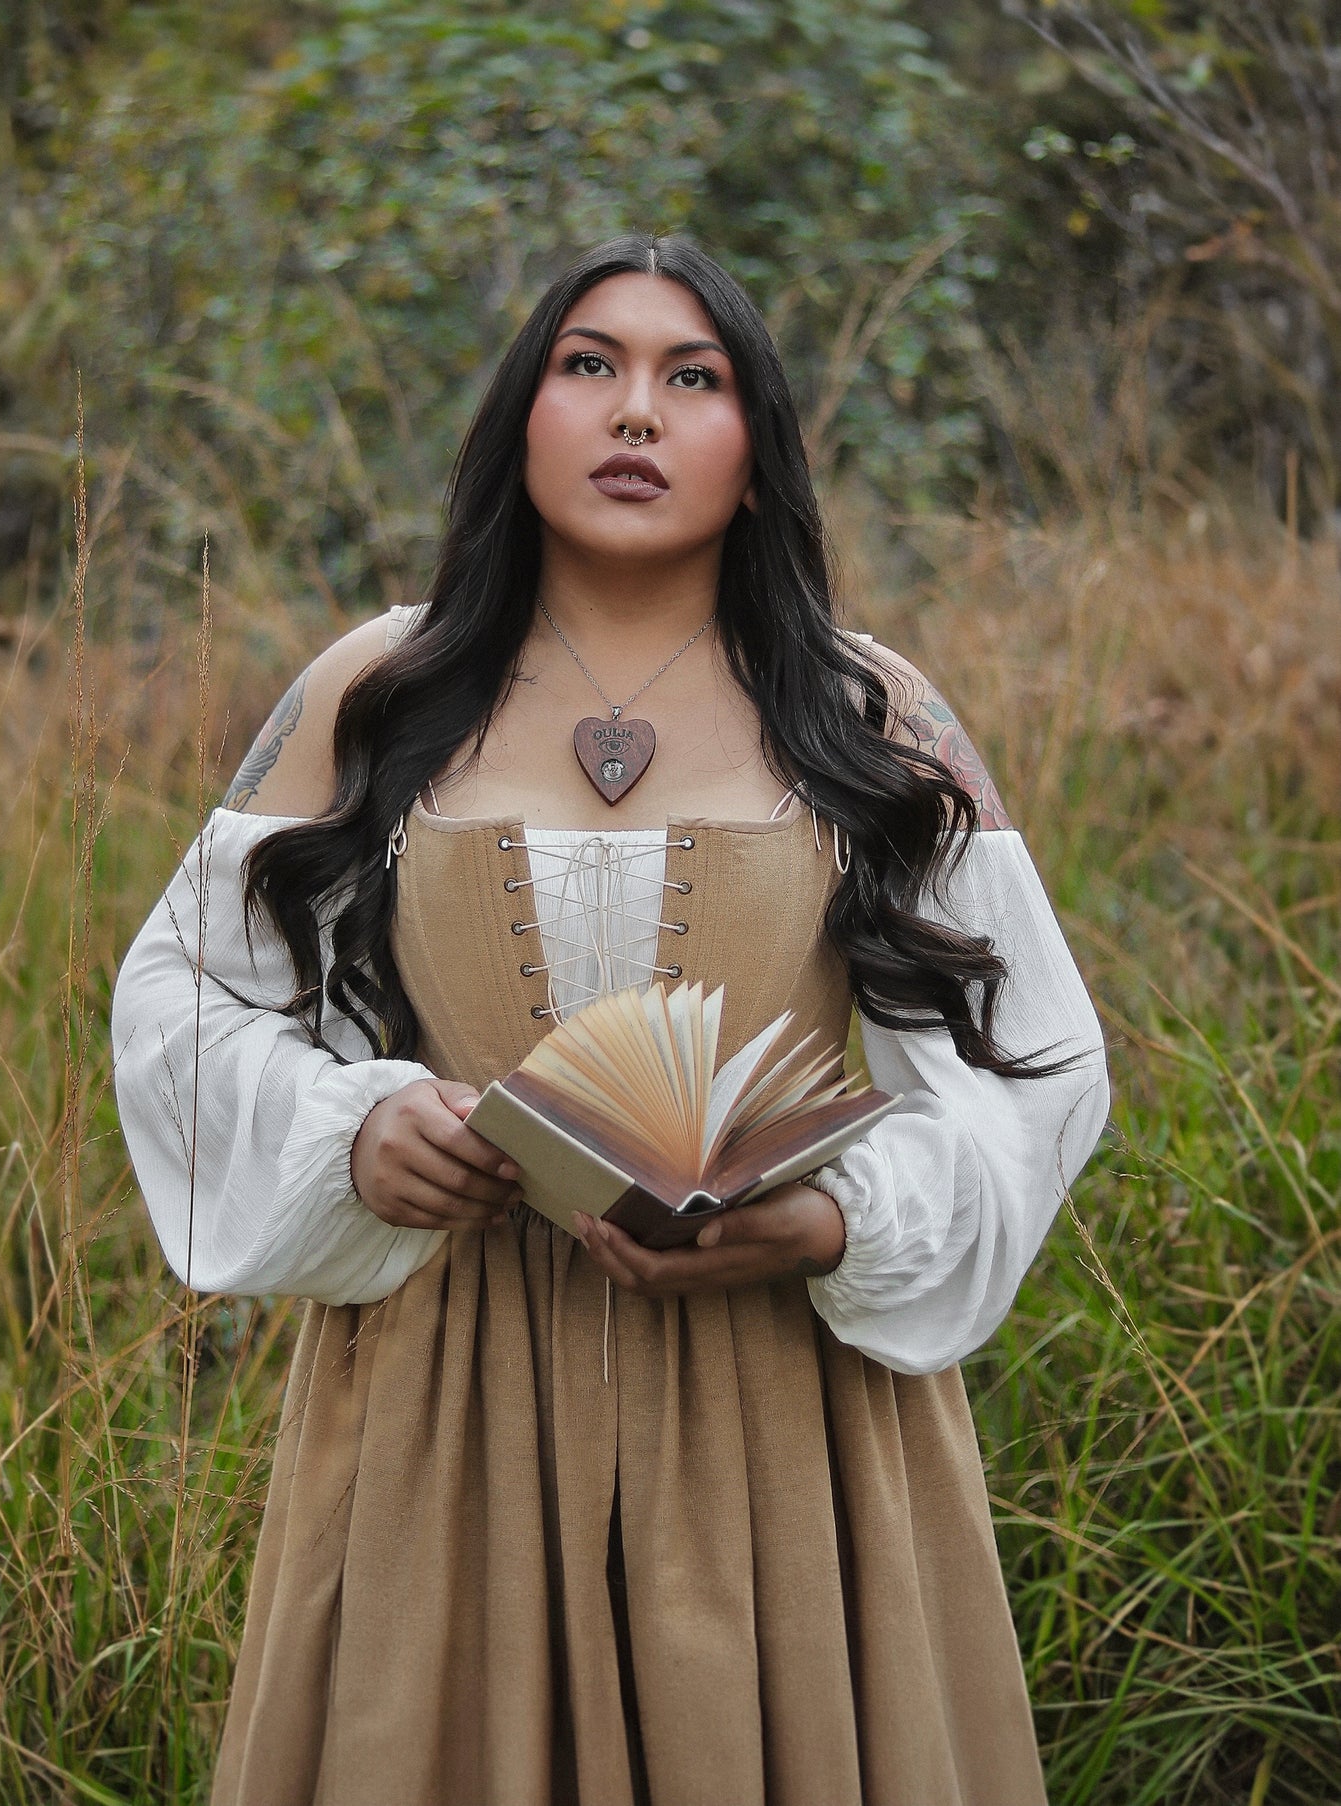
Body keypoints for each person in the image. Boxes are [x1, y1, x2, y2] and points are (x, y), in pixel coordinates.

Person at [112, 234, 1109, 1806]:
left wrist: (839, 1218)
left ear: (756, 455)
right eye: (590, 365)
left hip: (783, 1422)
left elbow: (1039, 1072)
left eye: (690, 377)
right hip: (445, 1414)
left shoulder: (868, 713)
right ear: (524, 418)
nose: (634, 411)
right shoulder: (376, 688)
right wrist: (356, 1131)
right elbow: (180, 1002)